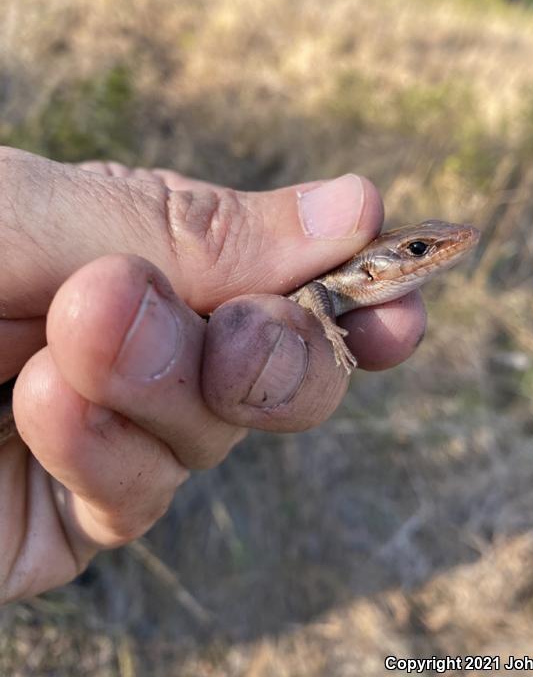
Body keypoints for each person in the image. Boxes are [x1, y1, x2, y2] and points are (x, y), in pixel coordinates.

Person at [0, 147, 426, 603]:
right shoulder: (337, 279)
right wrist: (329, 331)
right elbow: (318, 291)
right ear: (370, 267)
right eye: (418, 250)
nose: (434, 254)